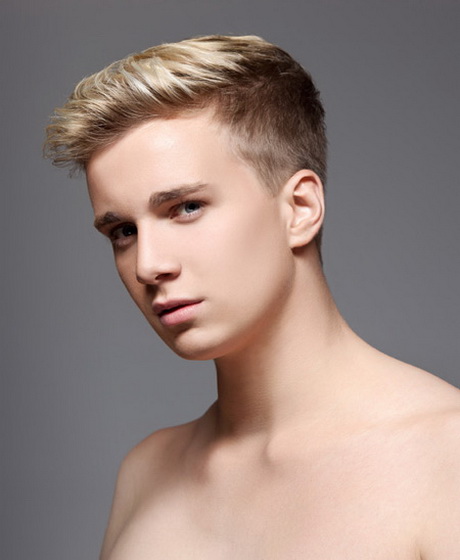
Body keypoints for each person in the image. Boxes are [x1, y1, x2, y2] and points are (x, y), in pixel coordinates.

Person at [45, 35, 460, 559]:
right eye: (123, 231)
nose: (148, 265)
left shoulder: (445, 458)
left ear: (300, 208)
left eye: (186, 208)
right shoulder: (146, 472)